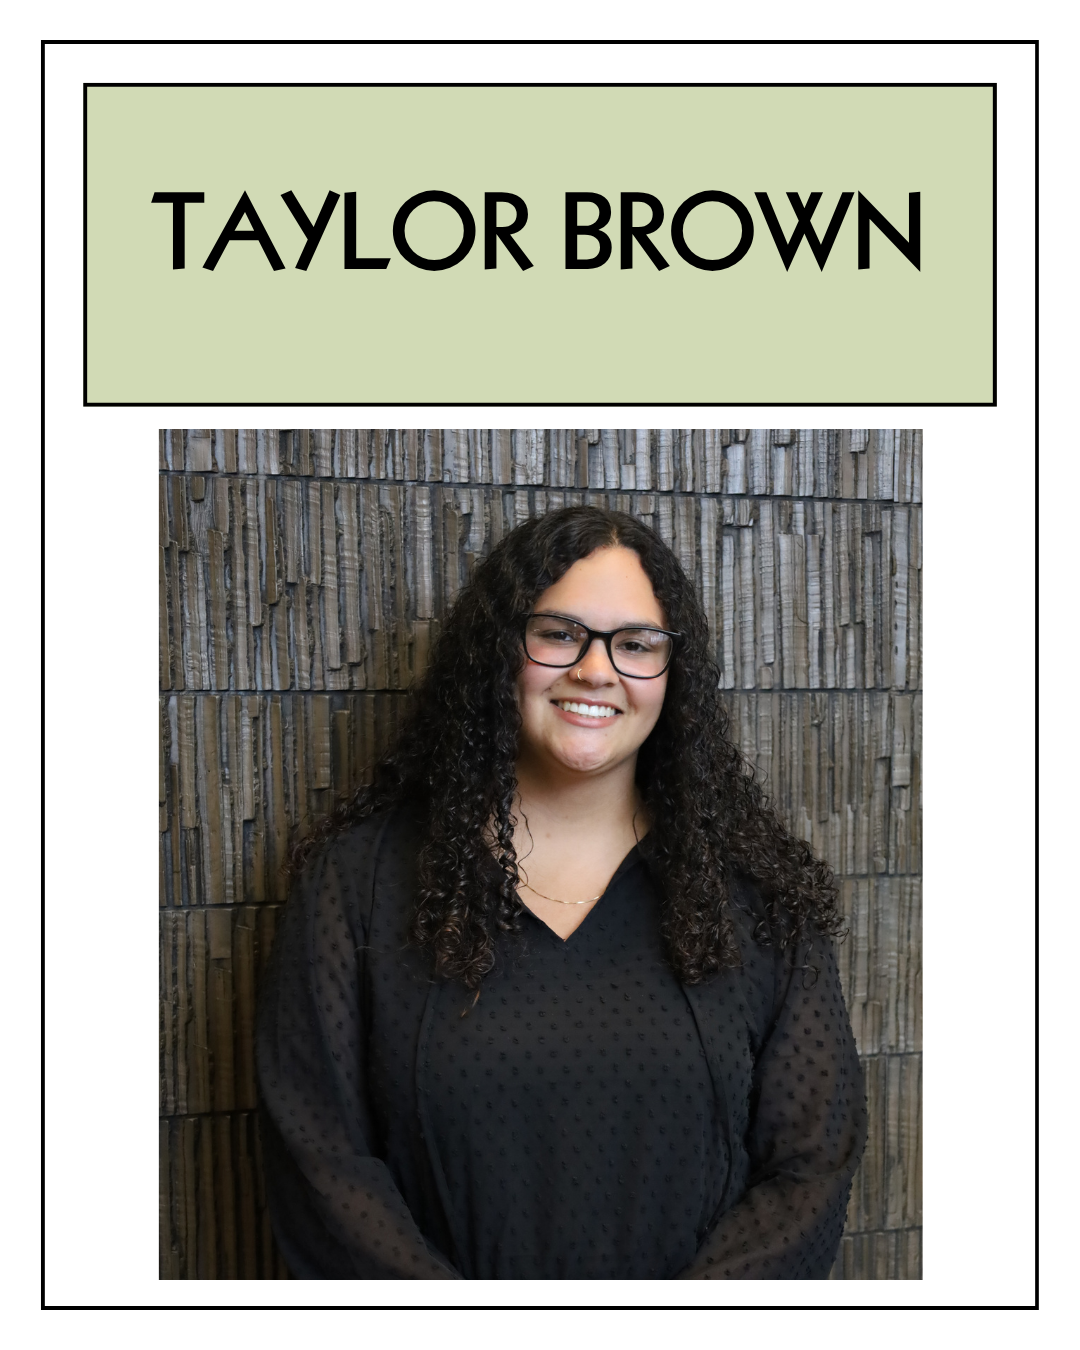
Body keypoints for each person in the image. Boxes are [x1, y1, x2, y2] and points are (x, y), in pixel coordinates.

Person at [255, 505, 867, 1280]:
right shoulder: (358, 883)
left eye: (636, 644)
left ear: (674, 677)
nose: (596, 670)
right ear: (499, 649)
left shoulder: (758, 893)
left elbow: (811, 1168)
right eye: (558, 633)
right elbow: (320, 1161)